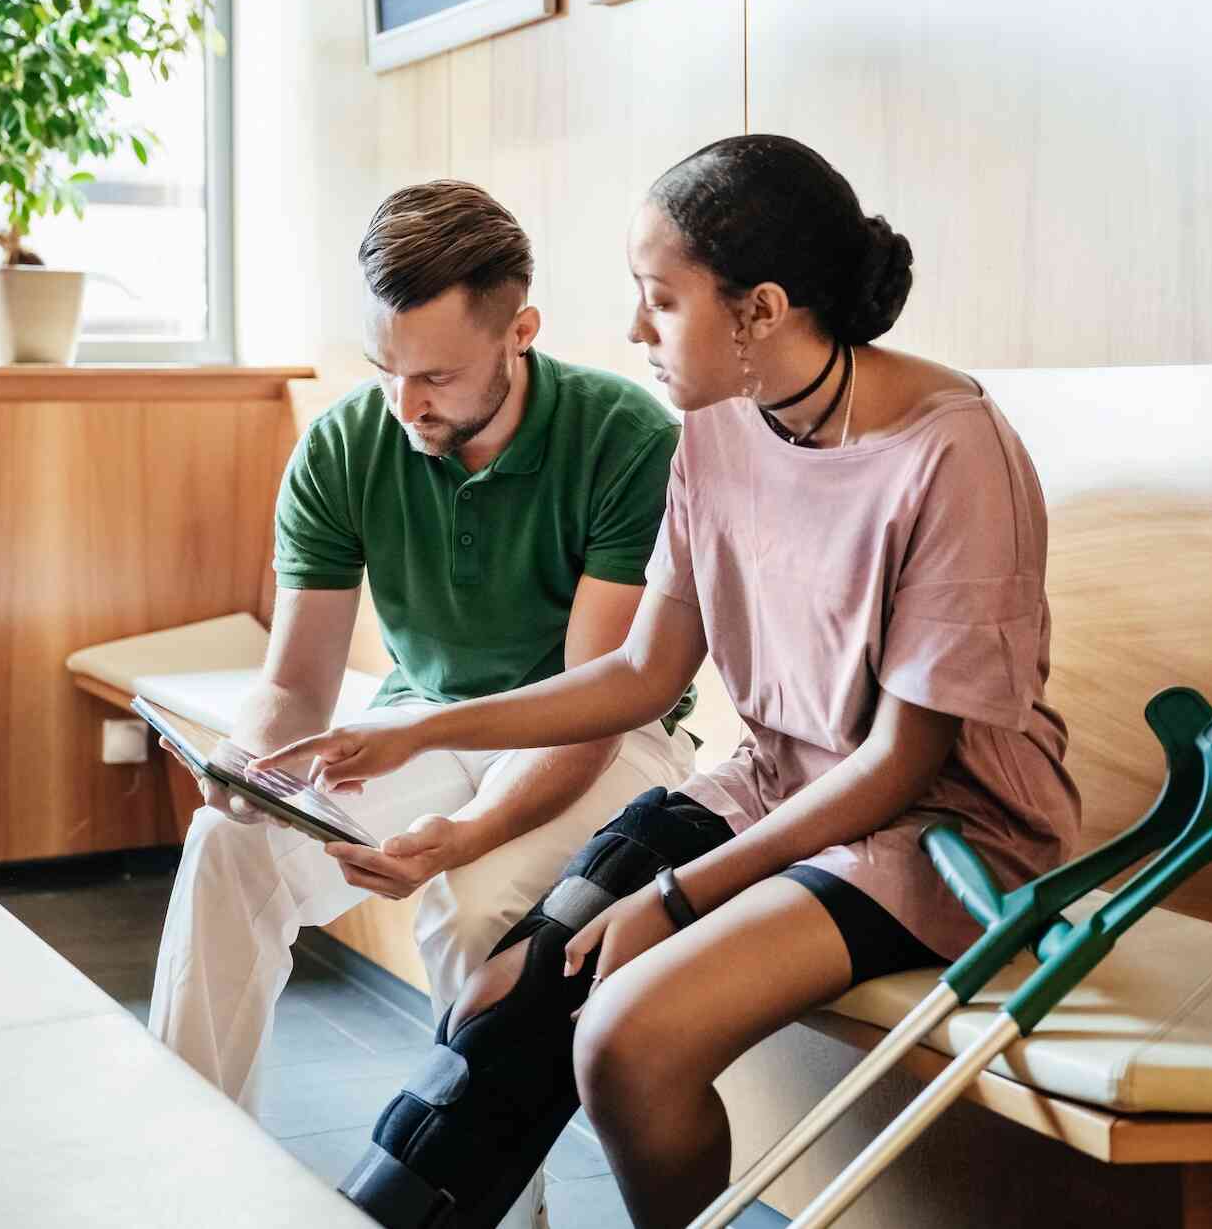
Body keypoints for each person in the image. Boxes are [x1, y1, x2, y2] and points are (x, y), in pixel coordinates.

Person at [259, 136, 1081, 1229]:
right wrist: (419, 733)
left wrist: (676, 894)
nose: (637, 329)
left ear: (762, 310)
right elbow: (642, 670)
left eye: (659, 299)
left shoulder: (950, 451)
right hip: (771, 788)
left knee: (621, 1038)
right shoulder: (715, 432)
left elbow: (902, 762)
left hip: (936, 838)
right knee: (505, 995)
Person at [147, 180, 697, 1225]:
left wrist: (463, 832)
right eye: (385, 372)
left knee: (477, 898)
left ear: (518, 332)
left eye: (436, 376)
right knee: (226, 851)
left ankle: (484, 1209)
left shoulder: (623, 437)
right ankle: (194, 1180)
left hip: (602, 740)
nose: (406, 408)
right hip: (418, 724)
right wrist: (257, 771)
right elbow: (297, 680)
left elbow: (593, 702)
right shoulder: (349, 443)